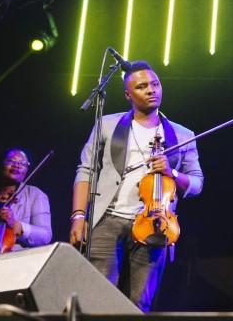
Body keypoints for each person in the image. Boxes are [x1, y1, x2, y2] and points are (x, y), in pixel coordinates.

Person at [70, 61, 204, 312]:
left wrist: (172, 172)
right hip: (107, 220)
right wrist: (79, 216)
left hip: (156, 224)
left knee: (139, 303)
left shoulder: (183, 134)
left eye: (155, 84)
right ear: (128, 94)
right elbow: (86, 170)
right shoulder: (107, 124)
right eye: (142, 86)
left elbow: (197, 183)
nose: (151, 90)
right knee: (99, 300)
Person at [0, 148, 52, 251]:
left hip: (17, 257)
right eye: (11, 160)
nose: (16, 165)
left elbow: (45, 236)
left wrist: (16, 225)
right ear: (0, 163)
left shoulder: (35, 194)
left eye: (23, 163)